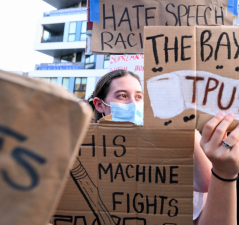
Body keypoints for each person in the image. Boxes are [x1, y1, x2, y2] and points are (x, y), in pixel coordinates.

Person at [87, 69, 213, 221]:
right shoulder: (86, 148)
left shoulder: (162, 143)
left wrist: (183, 121)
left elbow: (206, 182)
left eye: (139, 96)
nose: (133, 103)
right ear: (99, 105)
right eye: (122, 96)